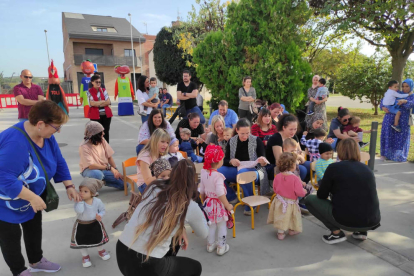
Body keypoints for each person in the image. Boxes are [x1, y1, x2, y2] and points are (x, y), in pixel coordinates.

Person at [0, 100, 81, 276]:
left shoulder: (47, 137)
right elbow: (4, 179)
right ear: (40, 124)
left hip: (31, 195)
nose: (58, 131)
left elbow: (59, 160)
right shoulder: (16, 143)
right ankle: (19, 271)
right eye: (56, 127)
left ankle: (36, 261)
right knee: (10, 237)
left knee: (33, 228)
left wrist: (69, 185)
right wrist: (33, 198)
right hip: (5, 202)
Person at [117, 159, 209, 276]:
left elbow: (153, 213)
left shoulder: (154, 186)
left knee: (175, 239)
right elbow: (203, 233)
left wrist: (181, 228)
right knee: (195, 267)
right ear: (193, 180)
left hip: (122, 252)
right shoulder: (189, 205)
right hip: (147, 266)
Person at [305, 138, 381, 244]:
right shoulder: (367, 168)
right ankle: (361, 231)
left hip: (346, 220)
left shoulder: (334, 167)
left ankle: (336, 233)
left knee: (309, 199)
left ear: (339, 151)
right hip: (372, 220)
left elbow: (321, 195)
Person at [218, 119, 269, 214]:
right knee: (218, 172)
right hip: (237, 169)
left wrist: (263, 161)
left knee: (243, 173)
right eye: (242, 133)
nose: (245, 136)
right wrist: (231, 161)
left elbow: (263, 157)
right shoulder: (231, 141)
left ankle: (250, 203)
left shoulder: (256, 140)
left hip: (255, 170)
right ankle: (231, 196)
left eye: (247, 133)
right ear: (236, 130)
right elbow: (225, 160)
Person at [200, 145, 233, 255]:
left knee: (211, 225)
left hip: (208, 203)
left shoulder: (203, 172)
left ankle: (210, 245)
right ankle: (221, 247)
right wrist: (227, 205)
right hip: (218, 205)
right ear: (219, 162)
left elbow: (202, 190)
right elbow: (220, 193)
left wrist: (204, 201)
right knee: (221, 225)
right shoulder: (218, 176)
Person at [71, 178, 110, 268]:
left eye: (85, 191)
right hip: (81, 225)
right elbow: (79, 211)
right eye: (80, 190)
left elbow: (103, 210)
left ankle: (101, 251)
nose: (81, 193)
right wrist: (80, 202)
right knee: (81, 242)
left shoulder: (97, 201)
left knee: (98, 238)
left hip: (94, 223)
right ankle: (85, 256)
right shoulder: (78, 201)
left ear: (93, 193)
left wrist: (100, 215)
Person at [267, 152, 307, 240]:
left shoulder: (278, 176)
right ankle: (291, 230)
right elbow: (299, 192)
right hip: (290, 202)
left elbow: (275, 188)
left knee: (281, 216)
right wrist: (304, 191)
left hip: (279, 200)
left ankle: (280, 233)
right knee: (291, 216)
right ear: (293, 165)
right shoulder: (295, 178)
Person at [79, 121, 124, 190]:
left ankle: (101, 181)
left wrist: (116, 170)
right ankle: (91, 189)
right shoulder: (84, 146)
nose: (103, 133)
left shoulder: (102, 140)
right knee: (97, 174)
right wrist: (109, 168)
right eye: (101, 132)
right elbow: (91, 166)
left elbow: (109, 156)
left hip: (103, 168)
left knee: (124, 185)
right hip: (90, 170)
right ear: (95, 135)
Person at [266, 114, 311, 182]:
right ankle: (294, 188)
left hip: (293, 163)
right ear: (284, 127)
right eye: (291, 129)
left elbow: (300, 152)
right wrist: (297, 157)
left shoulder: (294, 137)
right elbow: (279, 159)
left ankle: (301, 187)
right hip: (276, 167)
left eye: (295, 129)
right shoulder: (276, 138)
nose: (293, 132)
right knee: (302, 170)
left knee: (311, 166)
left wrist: (299, 157)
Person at [380, 78, 414, 162]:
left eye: (407, 86)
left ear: (411, 86)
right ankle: (386, 155)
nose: (404, 88)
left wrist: (405, 101)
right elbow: (383, 100)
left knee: (401, 138)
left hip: (403, 120)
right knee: (388, 135)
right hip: (389, 118)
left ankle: (399, 156)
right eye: (403, 86)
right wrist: (382, 107)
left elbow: (410, 105)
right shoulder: (397, 92)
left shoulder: (412, 96)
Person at [136, 128, 171, 194]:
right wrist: (163, 176)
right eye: (162, 142)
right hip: (145, 185)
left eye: (167, 143)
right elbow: (148, 181)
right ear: (155, 141)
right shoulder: (145, 156)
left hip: (160, 180)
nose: (165, 145)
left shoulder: (160, 153)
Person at [87, 75, 113, 143]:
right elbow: (91, 103)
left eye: (99, 82)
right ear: (92, 82)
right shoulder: (89, 92)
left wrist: (97, 103)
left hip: (106, 115)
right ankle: (97, 148)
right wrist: (103, 102)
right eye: (96, 82)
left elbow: (108, 102)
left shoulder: (104, 90)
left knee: (106, 132)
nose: (98, 83)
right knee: (96, 133)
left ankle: (106, 147)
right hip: (95, 116)